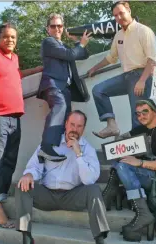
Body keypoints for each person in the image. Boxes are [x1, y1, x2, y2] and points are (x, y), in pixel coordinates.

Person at [15, 110, 113, 244]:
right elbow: (35, 166)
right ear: (66, 124)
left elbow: (89, 180)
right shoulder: (49, 142)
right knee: (22, 186)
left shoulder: (87, 149)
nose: (75, 129)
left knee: (94, 190)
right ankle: (27, 241)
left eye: (79, 126)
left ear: (83, 129)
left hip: (72, 196)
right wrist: (29, 175)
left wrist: (78, 153)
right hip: (47, 194)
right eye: (72, 124)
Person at [0, 23, 43, 229]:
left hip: (14, 118)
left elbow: (15, 75)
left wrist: (38, 69)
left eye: (13, 37)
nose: (10, 40)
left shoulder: (13, 58)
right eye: (6, 37)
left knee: (8, 161)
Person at [103, 99, 156, 241]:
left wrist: (139, 162)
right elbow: (120, 144)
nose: (141, 116)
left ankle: (117, 195)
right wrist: (117, 140)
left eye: (145, 112)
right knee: (120, 159)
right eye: (138, 114)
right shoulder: (140, 130)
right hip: (146, 172)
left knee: (123, 165)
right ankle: (116, 193)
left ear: (155, 111)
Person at [87, 1, 156, 139]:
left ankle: (144, 154)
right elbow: (111, 57)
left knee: (138, 115)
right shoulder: (118, 35)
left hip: (141, 76)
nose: (119, 17)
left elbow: (152, 59)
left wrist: (142, 81)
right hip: (126, 77)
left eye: (121, 13)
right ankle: (111, 125)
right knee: (98, 90)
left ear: (129, 11)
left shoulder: (143, 30)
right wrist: (94, 68)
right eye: (115, 16)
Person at [37, 13, 91, 162]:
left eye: (59, 26)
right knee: (59, 106)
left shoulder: (64, 46)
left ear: (63, 27)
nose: (57, 29)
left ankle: (55, 150)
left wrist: (76, 42)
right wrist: (80, 45)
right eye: (53, 26)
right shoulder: (48, 42)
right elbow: (70, 55)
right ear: (48, 29)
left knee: (67, 119)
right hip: (53, 85)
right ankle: (46, 147)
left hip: (65, 89)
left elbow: (83, 54)